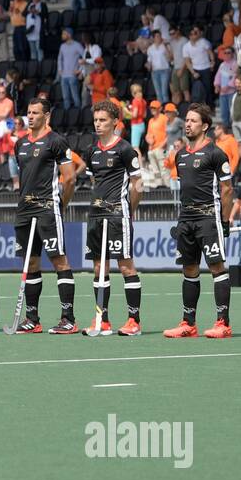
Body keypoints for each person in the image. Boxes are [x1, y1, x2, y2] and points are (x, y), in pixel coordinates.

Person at [163, 104, 234, 339]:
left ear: (204, 126)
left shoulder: (216, 153)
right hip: (186, 218)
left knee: (216, 267)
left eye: (193, 121)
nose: (188, 124)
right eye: (187, 120)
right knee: (189, 268)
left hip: (208, 217)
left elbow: (226, 189)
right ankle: (188, 323)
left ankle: (223, 323)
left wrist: (224, 221)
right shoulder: (181, 155)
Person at [12, 97, 78, 334]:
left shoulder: (56, 141)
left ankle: (68, 318)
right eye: (28, 112)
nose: (30, 116)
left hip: (47, 209)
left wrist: (61, 204)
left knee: (59, 259)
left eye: (35, 113)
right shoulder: (20, 144)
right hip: (24, 210)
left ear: (46, 116)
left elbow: (69, 178)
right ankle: (32, 319)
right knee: (30, 263)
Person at [83, 102, 144, 336]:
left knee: (126, 266)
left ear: (115, 123)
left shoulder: (126, 149)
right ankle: (102, 319)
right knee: (99, 267)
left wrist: (128, 210)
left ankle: (133, 320)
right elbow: (94, 182)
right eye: (96, 120)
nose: (98, 124)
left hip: (118, 216)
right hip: (96, 216)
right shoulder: (91, 151)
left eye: (103, 120)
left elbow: (138, 184)